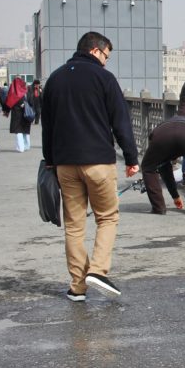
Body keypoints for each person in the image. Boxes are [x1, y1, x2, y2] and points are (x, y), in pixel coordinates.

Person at [42, 32, 140, 302]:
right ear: (96, 50)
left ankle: (77, 286)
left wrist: (50, 159)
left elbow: (47, 125)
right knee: (107, 217)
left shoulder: (55, 79)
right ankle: (97, 270)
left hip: (64, 163)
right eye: (106, 55)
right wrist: (131, 159)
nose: (107, 62)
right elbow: (121, 122)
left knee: (73, 226)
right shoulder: (104, 79)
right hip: (98, 160)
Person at [140, 112, 185, 214]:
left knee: (148, 168)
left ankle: (159, 207)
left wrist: (175, 196)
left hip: (162, 138)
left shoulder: (160, 130)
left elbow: (165, 171)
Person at [4, 76, 33, 152]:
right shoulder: (27, 90)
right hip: (27, 113)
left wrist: (6, 111)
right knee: (25, 130)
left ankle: (20, 147)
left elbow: (8, 102)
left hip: (17, 114)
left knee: (18, 131)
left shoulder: (13, 93)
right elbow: (31, 101)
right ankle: (27, 145)